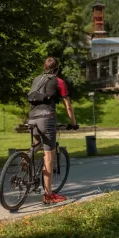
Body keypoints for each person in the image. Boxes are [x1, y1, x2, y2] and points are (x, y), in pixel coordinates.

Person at [27, 57, 78, 204]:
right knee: (49, 157)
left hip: (32, 118)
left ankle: (25, 161)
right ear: (57, 68)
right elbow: (67, 105)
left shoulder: (36, 79)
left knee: (38, 143)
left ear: (44, 67)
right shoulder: (59, 81)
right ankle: (48, 196)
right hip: (46, 119)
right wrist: (73, 123)